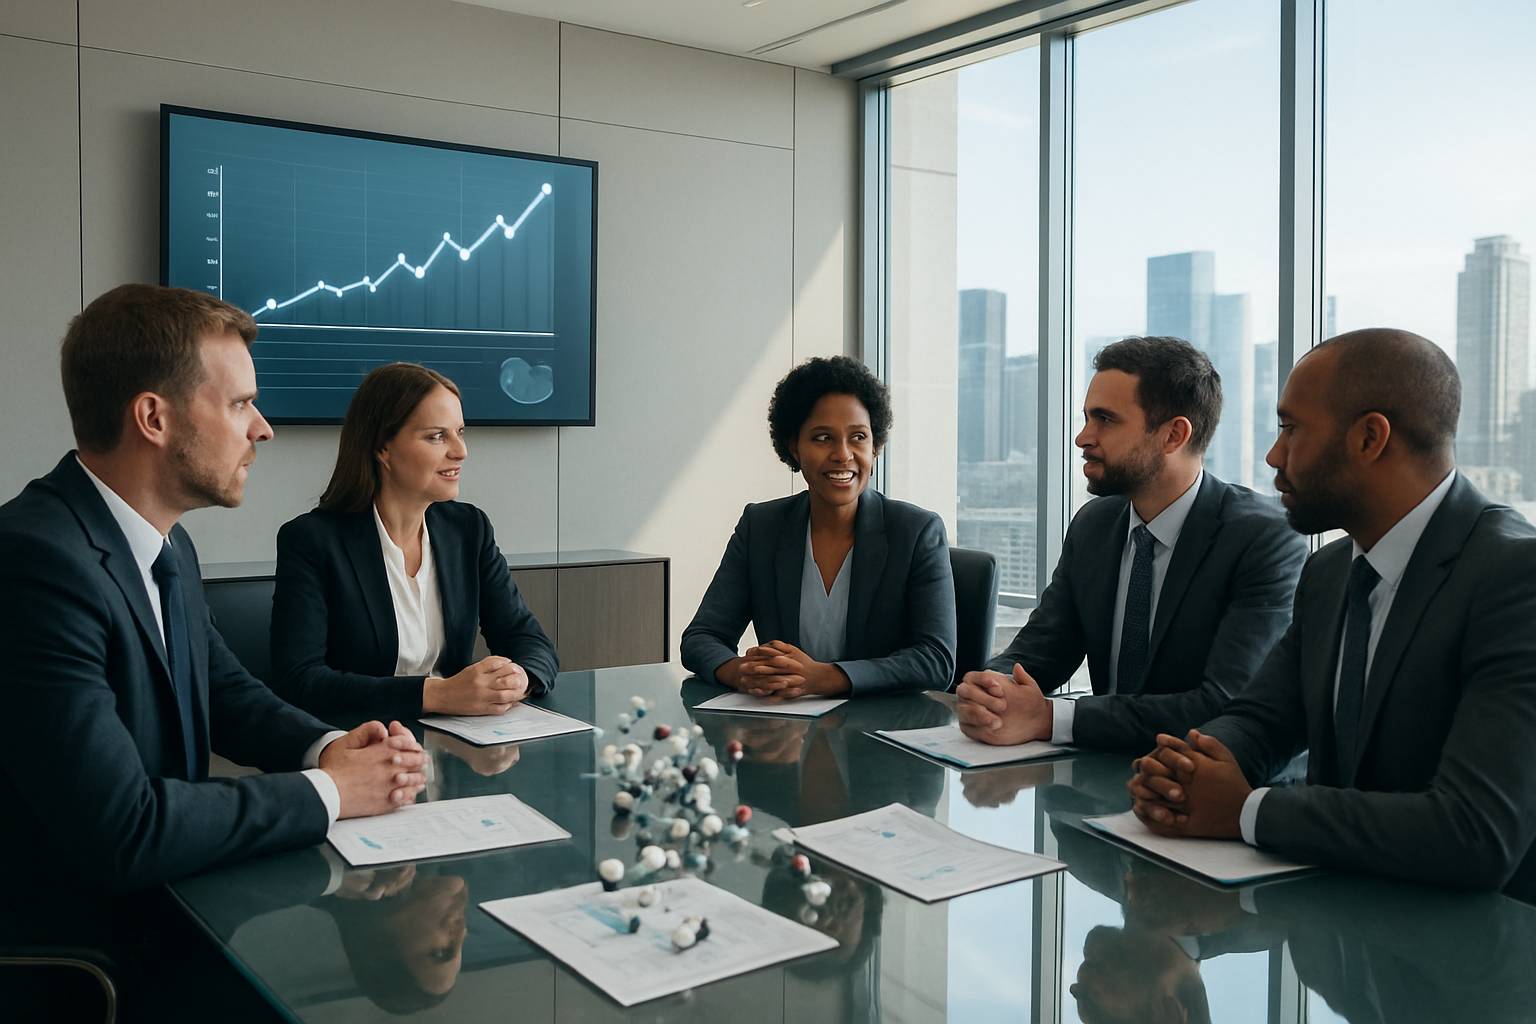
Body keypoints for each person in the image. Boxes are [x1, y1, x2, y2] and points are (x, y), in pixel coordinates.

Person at [0, 284, 427, 1020]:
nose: (262, 429)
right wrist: (333, 793)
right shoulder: (35, 563)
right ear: (154, 417)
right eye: (239, 405)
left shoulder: (167, 544)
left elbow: (227, 694)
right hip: (92, 954)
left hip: (181, 904)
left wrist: (330, 747)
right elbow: (124, 829)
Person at [1128, 328, 1536, 901]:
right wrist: (1187, 770)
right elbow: (1263, 718)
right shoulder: (1330, 572)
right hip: (1342, 940)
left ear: (1370, 437)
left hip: (1472, 955)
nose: (1274, 455)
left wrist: (1247, 810)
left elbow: (1475, 832)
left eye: (1291, 429)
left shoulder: (1516, 576)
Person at [956, 337, 1306, 752]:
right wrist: (991, 688)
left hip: (1205, 788)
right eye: (1087, 418)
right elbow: (1040, 651)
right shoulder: (1094, 525)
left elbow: (1225, 706)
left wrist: (1050, 717)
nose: (1082, 438)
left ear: (1174, 435)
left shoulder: (1263, 538)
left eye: (1105, 419)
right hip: (1097, 778)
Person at [270, 363, 558, 720]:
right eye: (437, 436)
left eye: (460, 432)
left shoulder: (468, 529)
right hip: (362, 744)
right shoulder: (312, 540)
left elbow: (528, 640)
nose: (460, 451)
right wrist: (437, 694)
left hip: (456, 742)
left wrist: (520, 678)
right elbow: (299, 681)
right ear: (382, 448)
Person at [680, 355, 956, 697]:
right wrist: (744, 673)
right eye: (823, 438)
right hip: (784, 731)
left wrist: (822, 678)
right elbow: (701, 637)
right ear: (794, 447)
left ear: (876, 447)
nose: (843, 454)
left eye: (858, 437)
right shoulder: (761, 527)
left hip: (879, 734)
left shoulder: (917, 532)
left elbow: (936, 661)